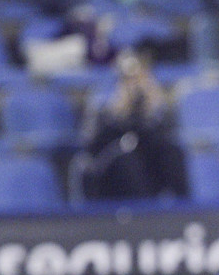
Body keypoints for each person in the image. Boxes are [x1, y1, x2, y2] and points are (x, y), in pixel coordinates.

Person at [80, 48, 189, 201]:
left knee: (173, 153)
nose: (135, 86)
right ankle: (141, 216)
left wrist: (153, 111)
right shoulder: (102, 105)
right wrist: (118, 113)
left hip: (146, 168)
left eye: (140, 79)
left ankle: (183, 212)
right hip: (110, 173)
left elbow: (165, 138)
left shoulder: (155, 106)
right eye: (130, 80)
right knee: (128, 158)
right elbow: (92, 146)